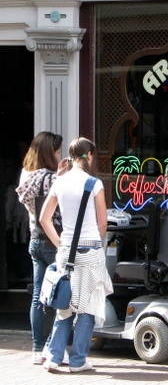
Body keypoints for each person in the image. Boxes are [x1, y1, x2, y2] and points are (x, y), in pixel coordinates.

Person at [39, 137, 113, 373]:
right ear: (89, 155)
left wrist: (60, 243)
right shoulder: (94, 183)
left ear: (70, 157)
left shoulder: (59, 182)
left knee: (65, 307)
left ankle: (53, 357)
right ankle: (78, 361)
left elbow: (44, 219)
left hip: (66, 251)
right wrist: (98, 243)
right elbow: (103, 223)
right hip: (90, 251)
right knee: (87, 308)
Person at [15, 131, 67, 365]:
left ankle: (37, 349)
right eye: (57, 152)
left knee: (38, 296)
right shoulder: (52, 179)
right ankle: (54, 348)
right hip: (52, 241)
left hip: (34, 240)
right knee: (59, 296)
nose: (58, 156)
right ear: (49, 153)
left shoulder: (27, 176)